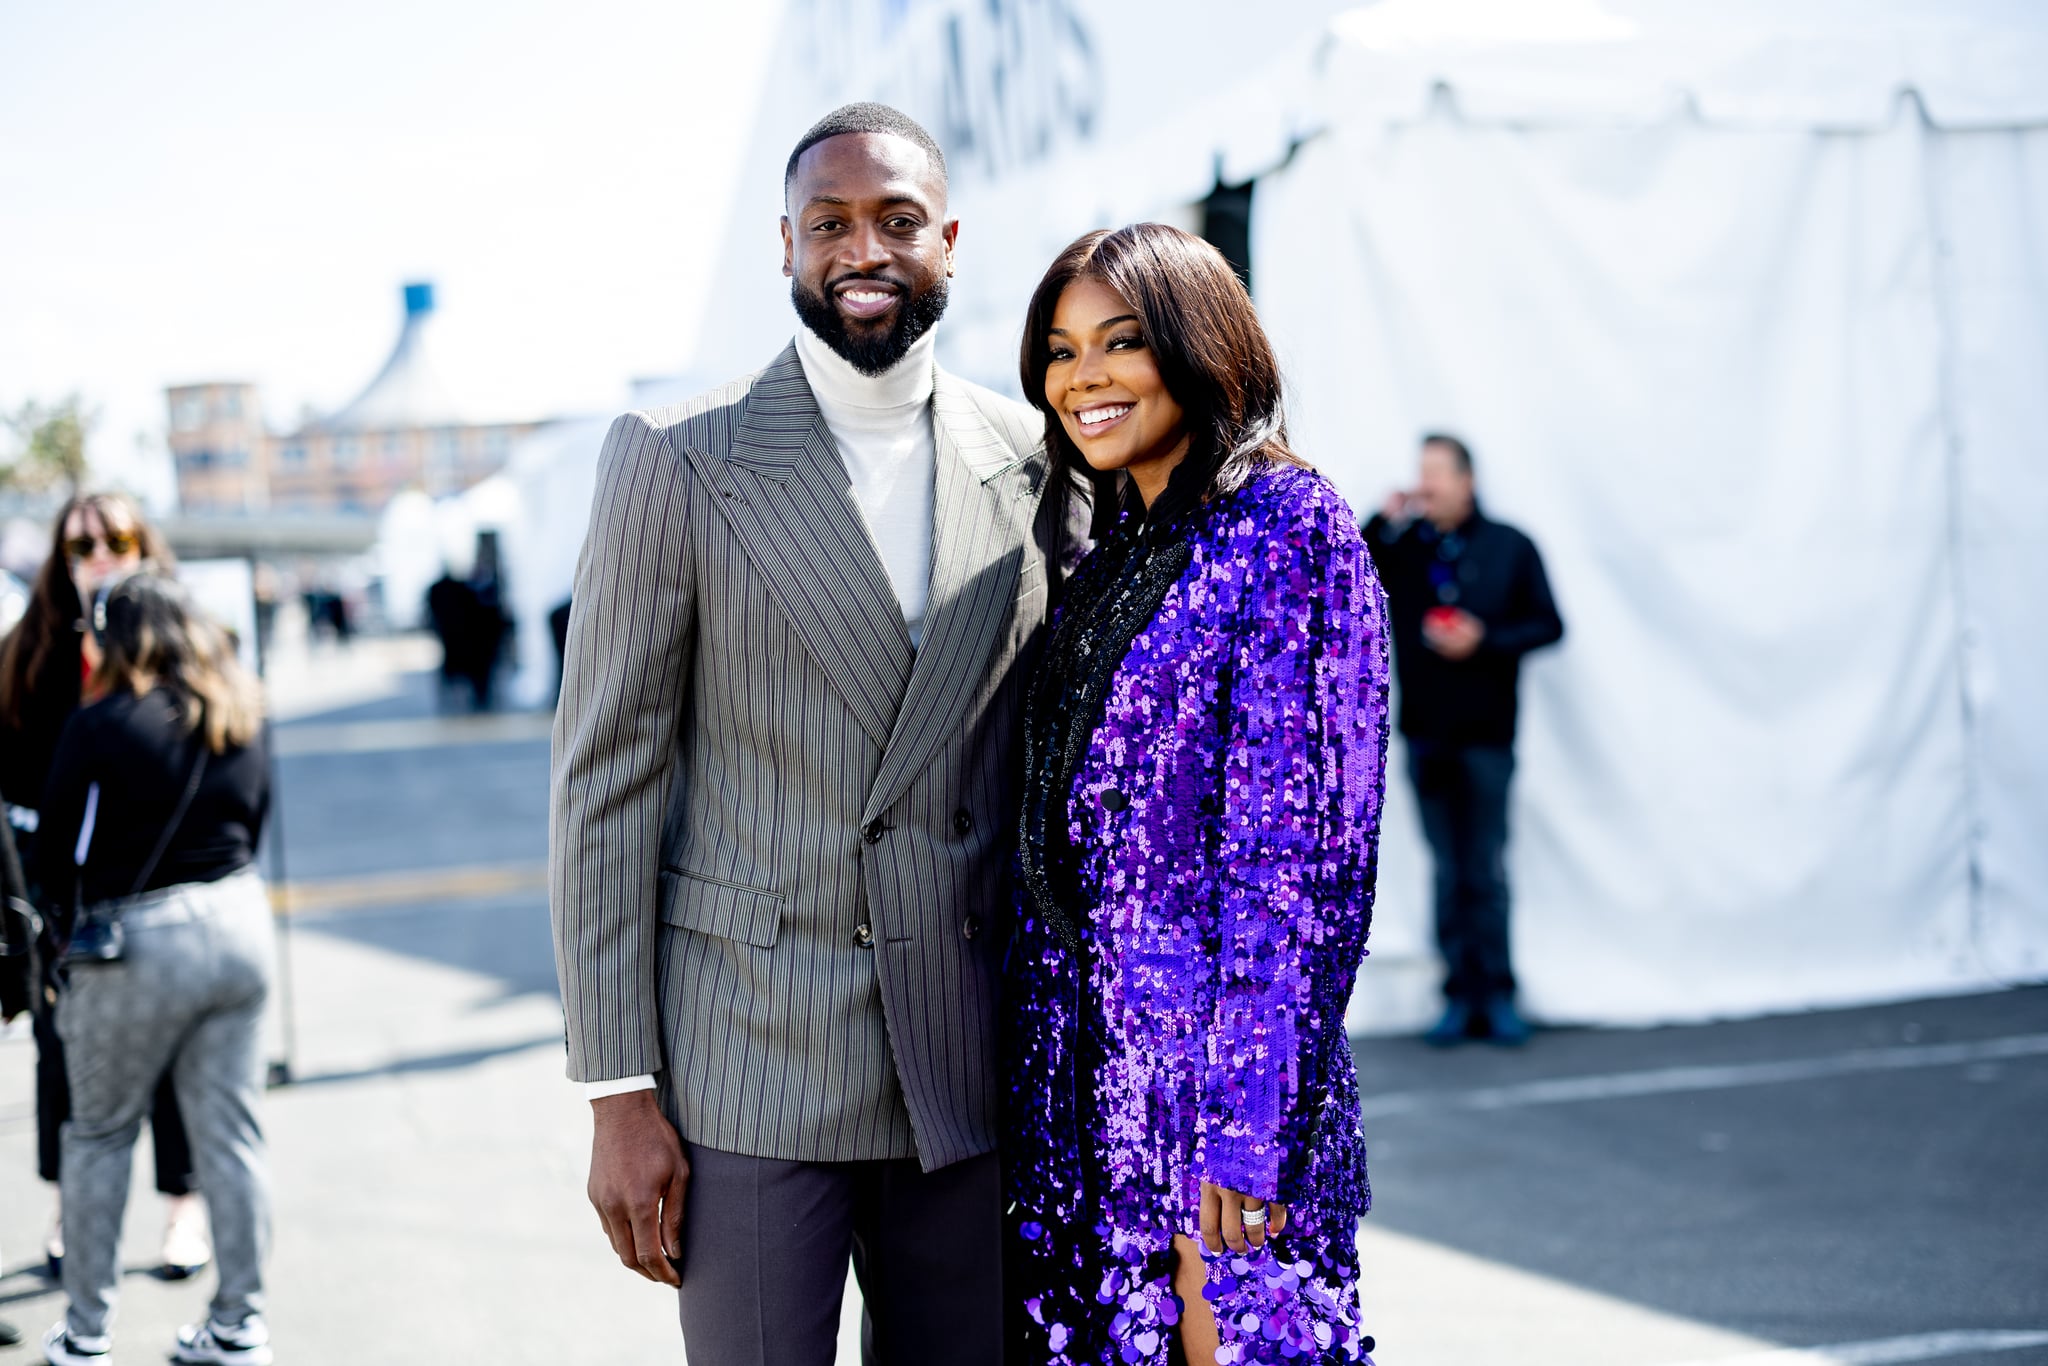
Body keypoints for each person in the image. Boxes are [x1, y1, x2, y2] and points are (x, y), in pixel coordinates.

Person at [550, 102, 1075, 1364]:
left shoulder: (1035, 457)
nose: (863, 249)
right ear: (784, 245)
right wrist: (616, 1094)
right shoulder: (678, 456)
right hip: (750, 1060)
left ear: (947, 238)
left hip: (963, 1051)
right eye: (829, 223)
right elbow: (604, 782)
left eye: (898, 220)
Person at [1005, 223, 1389, 1366]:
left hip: (1210, 1089)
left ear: (1197, 344)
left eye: (1120, 342)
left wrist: (1248, 1119)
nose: (1084, 376)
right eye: (1061, 350)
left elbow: (1305, 858)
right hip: (1085, 1085)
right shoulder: (1111, 543)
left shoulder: (1288, 527)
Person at [33, 571, 275, 1366]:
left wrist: (58, 941)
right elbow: (258, 820)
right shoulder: (244, 707)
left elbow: (53, 854)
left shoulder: (100, 724)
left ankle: (86, 1335)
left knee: (100, 1134)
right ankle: (239, 1325)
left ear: (112, 637)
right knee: (232, 1138)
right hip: (240, 924)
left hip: (139, 941)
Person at [0, 493, 209, 1281]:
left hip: (167, 881)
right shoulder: (30, 650)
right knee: (61, 1058)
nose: (100, 554)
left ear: (143, 545)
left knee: (175, 1056)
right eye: (81, 543)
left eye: (117, 538)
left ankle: (183, 1207)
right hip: (67, 899)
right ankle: (67, 1208)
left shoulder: (187, 639)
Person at [1362, 434, 1563, 1046]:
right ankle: (1456, 996)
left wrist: (1485, 639)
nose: (1428, 485)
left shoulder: (1510, 546)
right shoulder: (1406, 549)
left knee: (1487, 869)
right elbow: (1350, 573)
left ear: (1467, 480)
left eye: (1438, 474)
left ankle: (1497, 994)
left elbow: (1548, 624)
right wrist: (1383, 518)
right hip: (1426, 734)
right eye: (1420, 474)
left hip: (1487, 736)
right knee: (1448, 871)